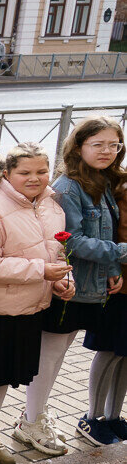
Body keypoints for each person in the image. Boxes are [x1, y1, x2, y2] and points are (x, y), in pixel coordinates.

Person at [0, 143, 72, 464]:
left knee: (4, 377)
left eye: (41, 171)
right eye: (25, 172)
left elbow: (59, 253)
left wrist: (63, 281)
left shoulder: (52, 204)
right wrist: (41, 271)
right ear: (7, 173)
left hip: (31, 307)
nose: (34, 178)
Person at [28, 117, 127, 449]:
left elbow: (105, 232)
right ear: (79, 146)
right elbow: (72, 241)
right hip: (67, 285)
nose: (107, 151)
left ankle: (36, 416)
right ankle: (30, 420)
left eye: (113, 145)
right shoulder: (69, 186)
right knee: (50, 355)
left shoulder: (99, 180)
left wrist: (112, 265)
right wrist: (123, 253)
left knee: (59, 354)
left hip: (89, 286)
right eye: (97, 144)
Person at [84, 168, 127, 443]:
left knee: (125, 354)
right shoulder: (120, 190)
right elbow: (109, 234)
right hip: (120, 283)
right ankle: (92, 417)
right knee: (109, 349)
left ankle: (113, 416)